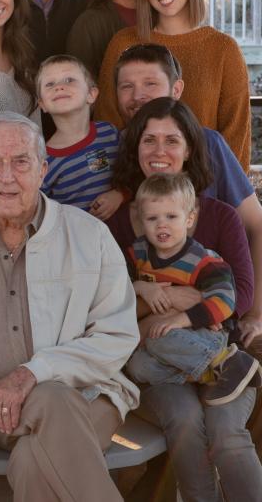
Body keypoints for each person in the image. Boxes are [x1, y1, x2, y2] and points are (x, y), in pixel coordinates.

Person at [0, 112, 139, 502]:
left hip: (89, 393)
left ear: (44, 169)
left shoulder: (88, 234)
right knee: (45, 413)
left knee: (35, 453)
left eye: (21, 161)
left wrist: (34, 373)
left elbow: (117, 336)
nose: (6, 176)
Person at [107, 100, 262, 500]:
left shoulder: (220, 215)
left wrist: (174, 306)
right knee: (185, 422)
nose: (160, 151)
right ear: (135, 148)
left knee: (228, 434)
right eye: (149, 140)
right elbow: (107, 301)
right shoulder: (119, 223)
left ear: (190, 148)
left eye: (171, 140)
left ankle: (230, 369)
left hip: (211, 347)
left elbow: (239, 295)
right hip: (160, 364)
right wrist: (153, 299)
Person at [108, 43, 262, 347]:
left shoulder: (210, 151)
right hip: (147, 336)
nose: (138, 95)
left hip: (213, 324)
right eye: (127, 86)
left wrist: (256, 313)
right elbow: (109, 304)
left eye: (150, 84)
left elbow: (256, 227)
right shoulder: (114, 150)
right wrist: (169, 299)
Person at [97, 0, 251, 169]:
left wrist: (216, 194)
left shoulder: (223, 49)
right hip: (137, 187)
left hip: (206, 189)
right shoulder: (123, 43)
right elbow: (106, 123)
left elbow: (236, 133)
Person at [124, 173, 258, 405]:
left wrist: (181, 320)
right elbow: (117, 287)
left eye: (171, 216)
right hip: (172, 341)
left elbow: (226, 301)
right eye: (152, 218)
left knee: (157, 338)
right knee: (136, 367)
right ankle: (208, 373)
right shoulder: (138, 253)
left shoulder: (203, 261)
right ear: (141, 220)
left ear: (189, 219)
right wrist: (140, 286)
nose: (161, 224)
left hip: (205, 334)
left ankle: (231, 361)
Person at [36, 55, 123, 218]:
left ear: (91, 94)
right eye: (50, 84)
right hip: (77, 240)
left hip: (122, 235)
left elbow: (131, 173)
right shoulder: (43, 160)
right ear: (42, 104)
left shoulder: (109, 133)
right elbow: (41, 213)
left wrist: (120, 195)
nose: (60, 87)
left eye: (69, 80)